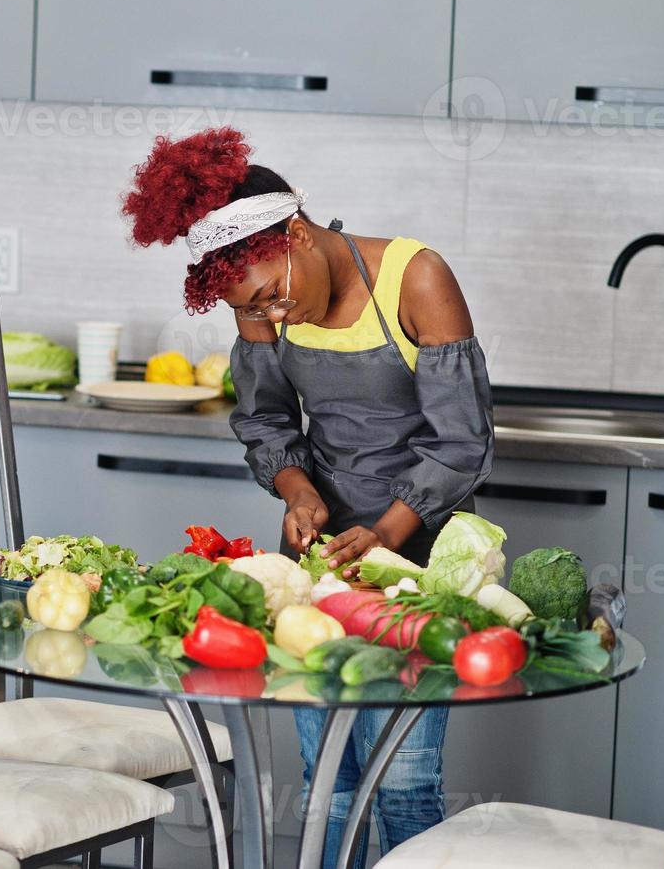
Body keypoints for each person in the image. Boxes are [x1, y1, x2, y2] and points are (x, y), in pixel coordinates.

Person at [122, 127, 494, 868]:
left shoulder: (413, 278)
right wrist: (295, 490)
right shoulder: (255, 299)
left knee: (405, 780)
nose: (273, 314)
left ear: (295, 232)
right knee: (332, 776)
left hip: (422, 561)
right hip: (317, 561)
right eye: (253, 307)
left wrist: (387, 532)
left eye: (271, 294)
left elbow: (463, 441)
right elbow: (263, 422)